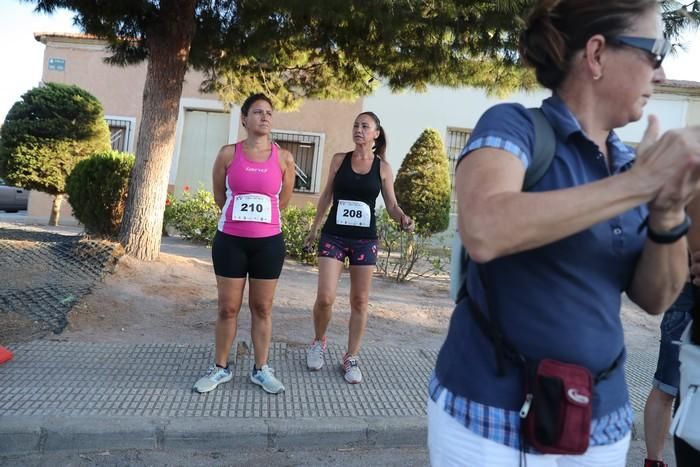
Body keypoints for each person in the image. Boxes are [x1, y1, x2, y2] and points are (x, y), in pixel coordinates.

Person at [427, 1, 700, 466]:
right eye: (655, 51)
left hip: (600, 421)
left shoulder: (630, 167)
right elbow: (484, 229)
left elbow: (655, 298)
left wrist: (668, 210)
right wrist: (638, 184)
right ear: (596, 54)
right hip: (489, 419)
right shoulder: (515, 126)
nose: (660, 73)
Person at [193, 93, 295, 395]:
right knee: (228, 308)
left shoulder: (284, 158)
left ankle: (261, 369)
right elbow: (219, 197)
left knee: (262, 307)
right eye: (257, 112)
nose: (264, 117)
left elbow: (283, 200)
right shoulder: (228, 154)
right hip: (230, 242)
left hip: (268, 244)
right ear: (244, 119)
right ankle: (220, 368)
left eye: (269, 113)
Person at [303, 111, 414, 384]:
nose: (359, 130)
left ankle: (351, 357)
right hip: (334, 236)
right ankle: (318, 341)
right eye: (356, 125)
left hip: (365, 240)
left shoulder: (383, 168)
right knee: (325, 297)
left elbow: (390, 205)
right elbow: (327, 195)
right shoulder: (339, 160)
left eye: (365, 126)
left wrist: (401, 216)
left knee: (360, 301)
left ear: (376, 133)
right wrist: (314, 228)